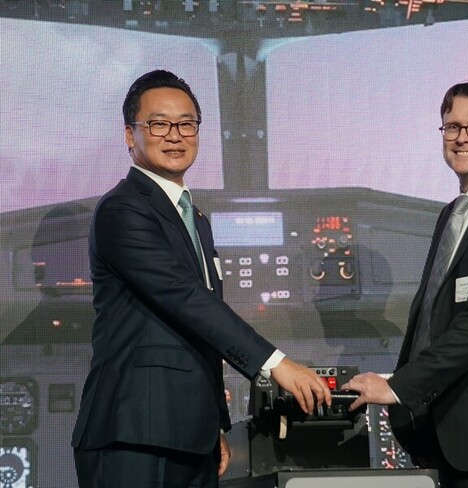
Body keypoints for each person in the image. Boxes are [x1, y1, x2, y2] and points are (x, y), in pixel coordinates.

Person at [71, 70, 331, 488]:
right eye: (159, 124)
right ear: (130, 135)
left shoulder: (195, 219)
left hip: (187, 436)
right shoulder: (123, 210)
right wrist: (275, 364)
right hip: (133, 434)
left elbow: (198, 337)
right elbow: (188, 300)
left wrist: (210, 426)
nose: (175, 135)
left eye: (187, 124)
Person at [342, 82, 468, 487]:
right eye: (452, 127)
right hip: (444, 434)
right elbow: (435, 318)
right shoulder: (452, 214)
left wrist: (399, 387)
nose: (462, 138)